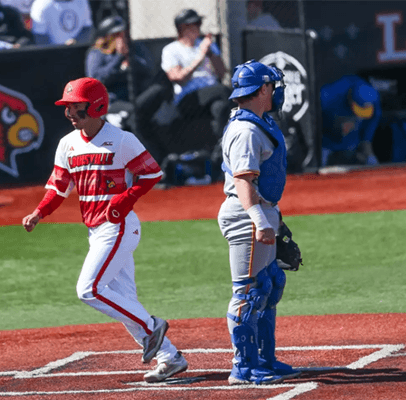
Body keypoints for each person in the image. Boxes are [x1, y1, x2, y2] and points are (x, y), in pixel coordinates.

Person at [22, 77, 189, 383]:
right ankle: (170, 357)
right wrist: (39, 212)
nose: (71, 114)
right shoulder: (67, 145)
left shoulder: (122, 139)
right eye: (68, 108)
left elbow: (151, 173)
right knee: (124, 299)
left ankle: (152, 326)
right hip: (96, 231)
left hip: (118, 226)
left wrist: (126, 198)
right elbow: (58, 187)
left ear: (97, 106)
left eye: (77, 108)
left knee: (89, 289)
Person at [217, 60, 301, 385]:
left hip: (261, 211)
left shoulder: (258, 122)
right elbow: (243, 182)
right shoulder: (246, 131)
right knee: (248, 293)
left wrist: (274, 217)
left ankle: (265, 359)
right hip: (244, 214)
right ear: (263, 89)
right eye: (273, 87)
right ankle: (242, 368)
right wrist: (258, 219)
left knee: (269, 283)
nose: (277, 92)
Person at [85, 14, 166, 153]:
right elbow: (96, 79)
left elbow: (148, 68)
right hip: (113, 102)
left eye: (122, 34)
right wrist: (119, 57)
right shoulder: (97, 53)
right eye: (116, 35)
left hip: (136, 99)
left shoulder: (134, 48)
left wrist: (130, 58)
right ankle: (154, 160)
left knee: (157, 90)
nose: (121, 38)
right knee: (137, 120)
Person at [161, 8, 231, 149]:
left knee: (220, 108)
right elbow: (179, 78)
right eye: (196, 24)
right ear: (183, 28)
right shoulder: (171, 50)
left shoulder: (205, 45)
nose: (199, 27)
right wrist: (199, 57)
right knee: (225, 91)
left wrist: (211, 53)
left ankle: (221, 148)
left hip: (212, 94)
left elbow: (221, 74)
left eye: (199, 23)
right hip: (189, 97)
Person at [319, 75, 381, 166]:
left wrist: (366, 141)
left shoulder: (373, 97)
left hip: (351, 144)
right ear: (351, 99)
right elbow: (311, 123)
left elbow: (373, 119)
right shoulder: (327, 96)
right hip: (325, 142)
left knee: (371, 163)